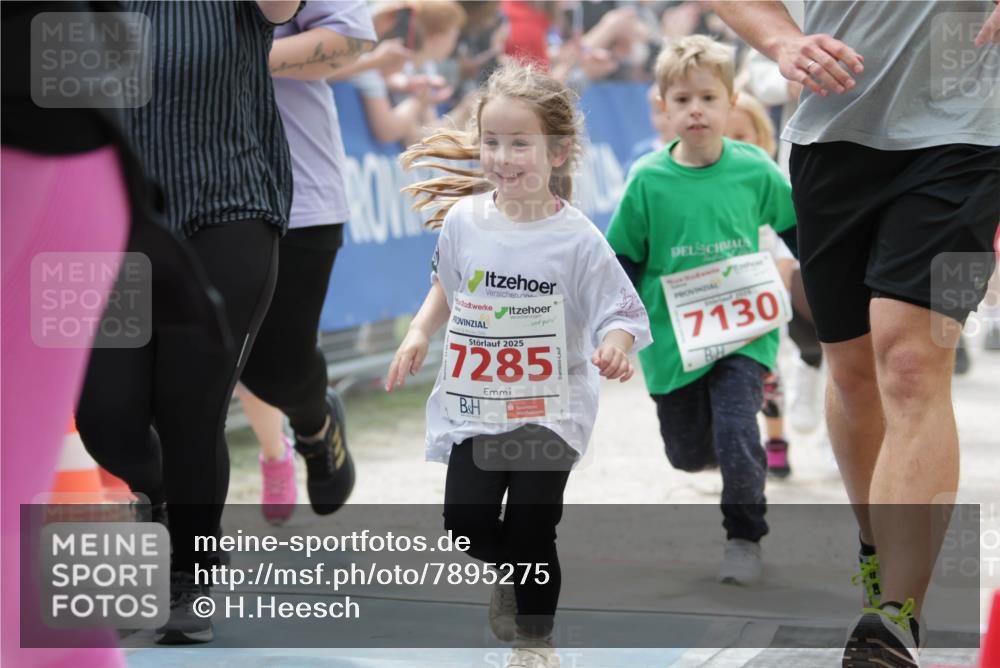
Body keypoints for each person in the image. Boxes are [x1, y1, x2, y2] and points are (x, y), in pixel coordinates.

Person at [713, 1, 1000, 664]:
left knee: (912, 362)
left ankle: (898, 616)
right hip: (832, 132)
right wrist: (781, 39)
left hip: (974, 141)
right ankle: (880, 546)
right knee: (851, 370)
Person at [385, 63, 651, 668]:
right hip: (478, 406)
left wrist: (615, 345)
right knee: (464, 525)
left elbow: (621, 310)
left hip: (549, 409)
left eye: (519, 143)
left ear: (557, 152)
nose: (502, 157)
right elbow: (445, 286)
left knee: (533, 527)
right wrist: (418, 332)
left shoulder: (578, 238)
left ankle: (535, 642)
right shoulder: (464, 222)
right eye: (492, 142)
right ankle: (509, 571)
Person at [75, 0, 301, 645]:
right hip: (108, 226)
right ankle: (164, 506)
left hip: (224, 210)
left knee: (187, 410)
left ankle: (188, 574)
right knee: (106, 418)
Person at [606, 34, 797, 586]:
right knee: (688, 455)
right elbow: (623, 260)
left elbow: (797, 232)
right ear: (664, 109)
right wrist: (616, 328)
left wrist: (831, 299)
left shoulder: (755, 170)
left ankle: (744, 536)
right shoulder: (647, 179)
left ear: (731, 103)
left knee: (739, 428)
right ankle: (734, 463)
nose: (696, 110)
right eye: (683, 99)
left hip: (743, 332)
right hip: (674, 339)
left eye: (709, 98)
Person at [235, 0, 376, 526]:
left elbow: (350, 40)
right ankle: (184, 550)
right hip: (180, 191)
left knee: (275, 363)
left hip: (295, 189)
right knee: (204, 362)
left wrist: (227, 52)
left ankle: (314, 427)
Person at [723, 92, 797, 478]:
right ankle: (731, 441)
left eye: (744, 135)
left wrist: (783, 275)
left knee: (769, 373)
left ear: (762, 138)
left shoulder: (769, 182)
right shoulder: (711, 188)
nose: (735, 143)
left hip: (765, 300)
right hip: (718, 301)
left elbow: (787, 236)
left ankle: (776, 438)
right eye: (727, 135)